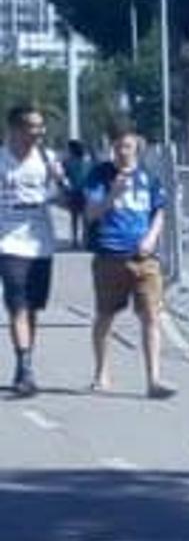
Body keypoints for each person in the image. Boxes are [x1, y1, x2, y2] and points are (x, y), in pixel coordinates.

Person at [83, 127, 172, 398]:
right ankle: (101, 372)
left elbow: (159, 211)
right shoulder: (100, 175)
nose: (123, 152)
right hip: (110, 255)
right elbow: (91, 214)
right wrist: (112, 194)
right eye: (119, 147)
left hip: (144, 258)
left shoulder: (149, 178)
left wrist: (152, 238)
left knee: (151, 316)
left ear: (137, 149)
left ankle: (154, 379)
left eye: (128, 147)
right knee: (106, 316)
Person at [1, 99, 67, 397]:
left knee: (33, 308)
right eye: (31, 127)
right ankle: (25, 368)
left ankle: (24, 362)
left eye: (40, 128)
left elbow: (67, 200)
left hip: (40, 243)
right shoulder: (2, 160)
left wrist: (59, 180)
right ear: (14, 129)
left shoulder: (46, 157)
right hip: (8, 242)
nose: (37, 134)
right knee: (18, 304)